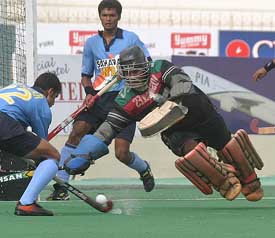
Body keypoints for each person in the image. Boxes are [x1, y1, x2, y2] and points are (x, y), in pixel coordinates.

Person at [64, 45, 264, 202]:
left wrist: (170, 99)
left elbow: (182, 81)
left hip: (199, 113)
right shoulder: (125, 100)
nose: (133, 77)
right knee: (194, 154)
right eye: (128, 72)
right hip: (174, 130)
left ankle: (248, 178)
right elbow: (107, 130)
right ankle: (221, 179)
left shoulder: (159, 67)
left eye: (136, 71)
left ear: (145, 65)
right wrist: (85, 154)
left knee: (229, 147)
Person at [46, 0, 154, 201]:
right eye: (105, 15)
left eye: (112, 15)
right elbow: (86, 74)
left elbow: (147, 63)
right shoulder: (91, 43)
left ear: (118, 17)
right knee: (75, 134)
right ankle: (61, 186)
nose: (108, 19)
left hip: (125, 100)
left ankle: (144, 169)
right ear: (100, 17)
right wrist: (88, 92)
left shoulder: (131, 39)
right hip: (99, 98)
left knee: (121, 153)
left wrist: (130, 73)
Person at [0, 72, 62, 216]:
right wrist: (43, 163)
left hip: (6, 124)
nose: (53, 103)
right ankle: (27, 203)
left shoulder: (16, 87)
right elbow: (43, 145)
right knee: (52, 155)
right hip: (4, 124)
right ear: (50, 91)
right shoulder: (41, 102)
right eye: (55, 97)